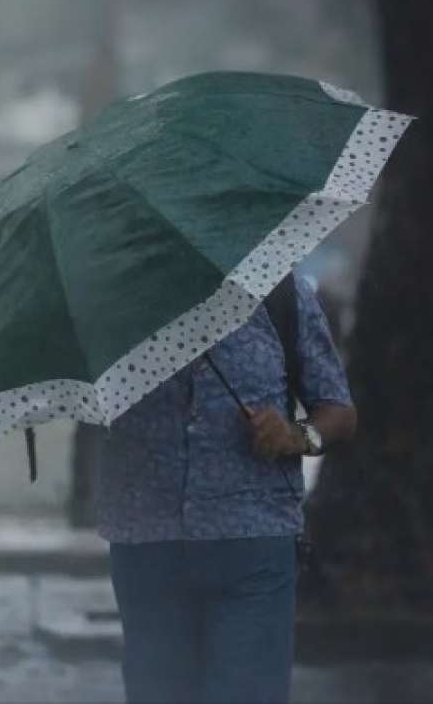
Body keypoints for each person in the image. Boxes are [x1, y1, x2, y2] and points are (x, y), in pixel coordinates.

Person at [95, 271, 357, 704]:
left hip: (252, 547)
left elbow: (338, 412)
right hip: (147, 547)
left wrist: (296, 436)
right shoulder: (115, 298)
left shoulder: (279, 292)